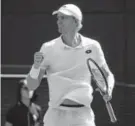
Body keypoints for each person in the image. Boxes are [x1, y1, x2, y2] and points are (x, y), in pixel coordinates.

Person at [26, 4, 115, 126]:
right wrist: (35, 67)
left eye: (63, 18)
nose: (59, 22)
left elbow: (107, 75)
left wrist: (108, 89)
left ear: (75, 21)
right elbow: (31, 85)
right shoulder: (47, 48)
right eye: (58, 18)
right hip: (56, 117)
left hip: (83, 117)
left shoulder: (93, 46)